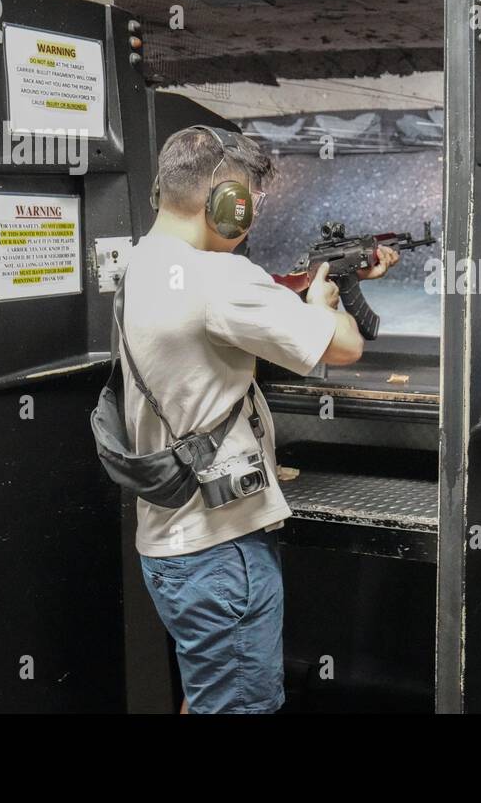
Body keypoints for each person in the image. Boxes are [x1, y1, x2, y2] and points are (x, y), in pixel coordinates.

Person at [120, 125, 398, 713]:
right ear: (227, 201)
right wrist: (328, 300)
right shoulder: (220, 278)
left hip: (171, 545)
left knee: (208, 699)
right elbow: (346, 348)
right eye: (249, 201)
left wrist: (325, 286)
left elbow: (226, 326)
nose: (250, 218)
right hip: (222, 552)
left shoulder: (139, 262)